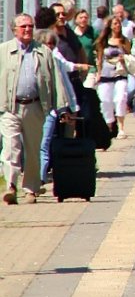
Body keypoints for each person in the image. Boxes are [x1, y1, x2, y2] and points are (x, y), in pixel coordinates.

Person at [0, 14, 71, 204]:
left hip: (35, 106)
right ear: (14, 30)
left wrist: (62, 107)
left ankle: (30, 188)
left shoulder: (43, 52)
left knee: (33, 150)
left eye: (30, 26)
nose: (27, 29)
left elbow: (56, 80)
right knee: (10, 148)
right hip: (10, 107)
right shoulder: (3, 51)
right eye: (23, 26)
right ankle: (11, 186)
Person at [34, 27, 88, 186]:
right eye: (47, 43)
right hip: (34, 107)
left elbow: (64, 80)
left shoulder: (56, 58)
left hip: (53, 108)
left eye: (52, 43)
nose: (50, 47)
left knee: (44, 143)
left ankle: (40, 178)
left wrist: (67, 107)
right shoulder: (33, 60)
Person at [94, 16, 131, 139]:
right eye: (115, 24)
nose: (117, 26)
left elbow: (130, 57)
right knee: (105, 101)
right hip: (105, 74)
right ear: (110, 26)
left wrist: (124, 58)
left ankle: (121, 127)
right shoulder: (103, 41)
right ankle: (109, 126)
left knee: (120, 99)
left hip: (120, 74)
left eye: (119, 23)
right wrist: (98, 73)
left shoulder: (124, 41)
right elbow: (99, 59)